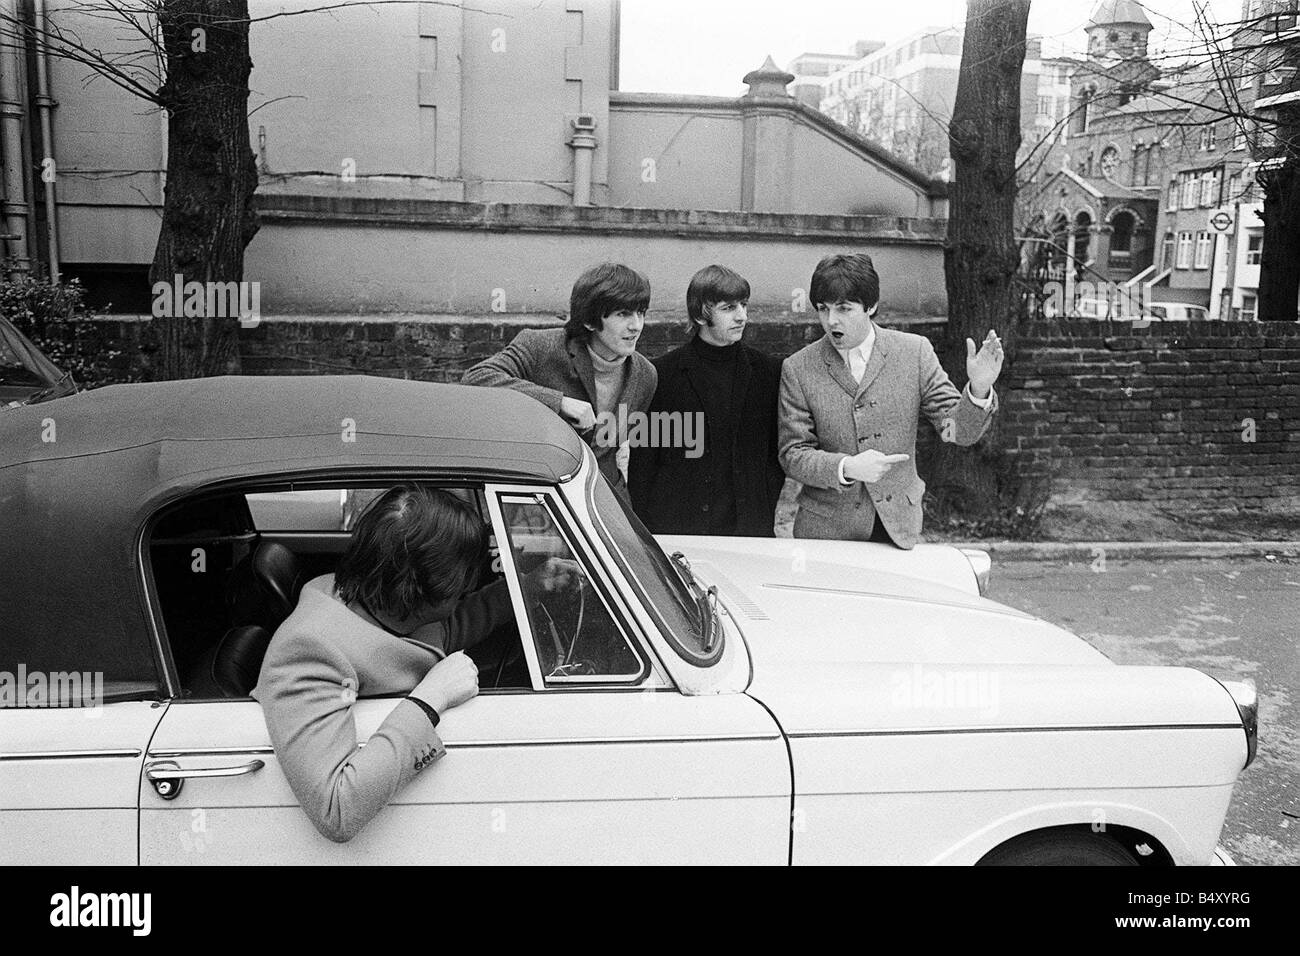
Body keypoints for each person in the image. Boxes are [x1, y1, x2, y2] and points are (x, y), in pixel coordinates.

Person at [252, 484, 571, 843]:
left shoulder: (377, 600)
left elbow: (444, 628)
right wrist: (428, 700)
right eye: (464, 578)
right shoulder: (309, 651)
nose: (472, 580)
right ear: (419, 593)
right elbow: (336, 807)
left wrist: (527, 587)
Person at [778, 253, 1003, 549]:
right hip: (825, 532)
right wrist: (845, 467)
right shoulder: (798, 367)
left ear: (871, 306)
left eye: (844, 308)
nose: (831, 320)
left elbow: (955, 433)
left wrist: (978, 389)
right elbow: (792, 454)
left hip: (897, 527)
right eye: (823, 308)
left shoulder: (915, 352)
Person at [461, 263, 657, 499]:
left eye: (641, 313)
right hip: (540, 502)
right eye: (623, 314)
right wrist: (559, 403)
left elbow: (612, 451)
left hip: (606, 503)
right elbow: (476, 378)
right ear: (590, 320)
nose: (636, 325)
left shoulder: (645, 374)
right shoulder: (540, 347)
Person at [628, 264, 784, 536]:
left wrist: (763, 504)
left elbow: (775, 455)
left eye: (744, 305)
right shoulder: (661, 374)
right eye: (728, 308)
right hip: (679, 530)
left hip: (749, 529)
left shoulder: (769, 372)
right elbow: (643, 465)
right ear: (701, 314)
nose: (742, 317)